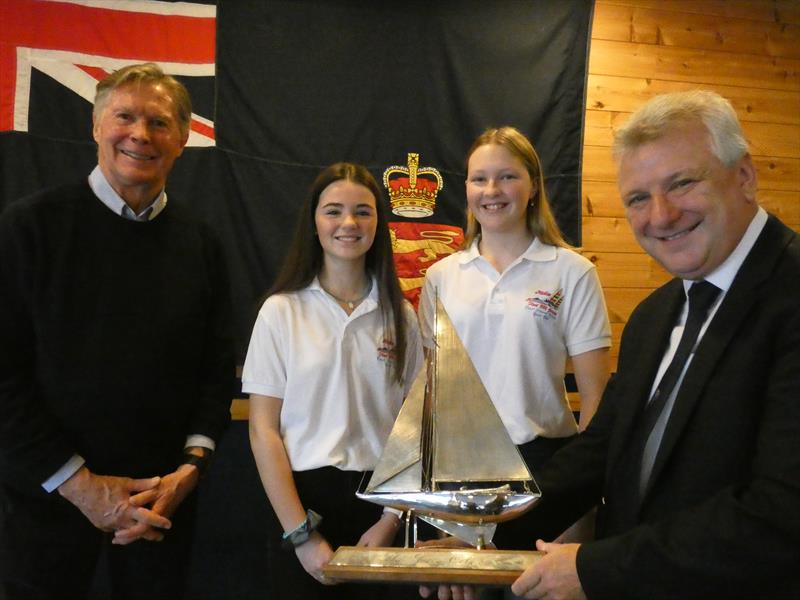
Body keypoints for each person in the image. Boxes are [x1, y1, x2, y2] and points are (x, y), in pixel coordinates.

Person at [490, 90, 800, 599]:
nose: (660, 216)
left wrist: (596, 568)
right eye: (637, 198)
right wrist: (484, 540)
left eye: (682, 183)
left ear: (744, 176)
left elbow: (782, 512)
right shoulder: (655, 314)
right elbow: (600, 450)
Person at [0, 63, 235, 599]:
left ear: (181, 140)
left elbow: (215, 373)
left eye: (158, 123)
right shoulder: (28, 228)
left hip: (160, 511)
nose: (139, 134)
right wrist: (81, 488)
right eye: (124, 117)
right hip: (47, 510)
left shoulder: (202, 246)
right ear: (96, 126)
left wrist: (189, 471)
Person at [418, 127, 611, 553]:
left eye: (507, 176)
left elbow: (596, 401)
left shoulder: (572, 272)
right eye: (479, 178)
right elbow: (434, 393)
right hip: (462, 466)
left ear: (533, 186)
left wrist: (579, 504)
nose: (492, 190)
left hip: (550, 466)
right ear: (466, 188)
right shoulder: (441, 276)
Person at [243, 162, 423, 599]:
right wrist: (301, 535)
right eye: (334, 210)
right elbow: (263, 430)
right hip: (301, 505)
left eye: (363, 211)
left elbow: (415, 429)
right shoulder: (281, 311)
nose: (348, 223)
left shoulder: (401, 316)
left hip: (381, 506)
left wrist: (390, 520)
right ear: (314, 221)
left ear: (379, 224)